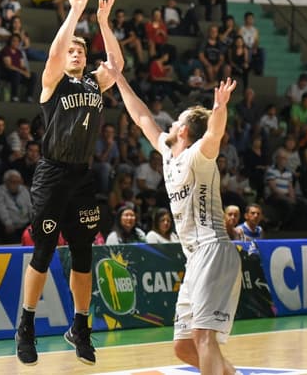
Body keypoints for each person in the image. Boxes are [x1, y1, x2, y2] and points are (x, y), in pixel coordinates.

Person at [102, 52, 241, 373]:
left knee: (203, 336)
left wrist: (219, 110)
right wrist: (119, 79)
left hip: (213, 248)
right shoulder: (167, 153)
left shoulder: (198, 156)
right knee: (182, 347)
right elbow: (141, 117)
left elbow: (214, 135)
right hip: (194, 258)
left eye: (176, 120)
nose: (170, 122)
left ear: (183, 131)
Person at [16, 0, 123, 367]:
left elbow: (117, 63)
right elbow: (54, 53)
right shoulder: (52, 82)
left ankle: (80, 326)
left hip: (82, 178)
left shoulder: (95, 83)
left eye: (80, 50)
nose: (75, 53)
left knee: (83, 254)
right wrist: (76, 10)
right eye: (70, 51)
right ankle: (25, 327)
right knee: (43, 253)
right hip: (52, 174)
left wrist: (104, 24)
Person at [0, 169, 31, 243]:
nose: (16, 185)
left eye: (18, 182)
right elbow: (1, 209)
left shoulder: (23, 190)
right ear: (6, 182)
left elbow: (30, 206)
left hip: (25, 224)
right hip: (8, 224)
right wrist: (8, 223)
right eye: (13, 182)